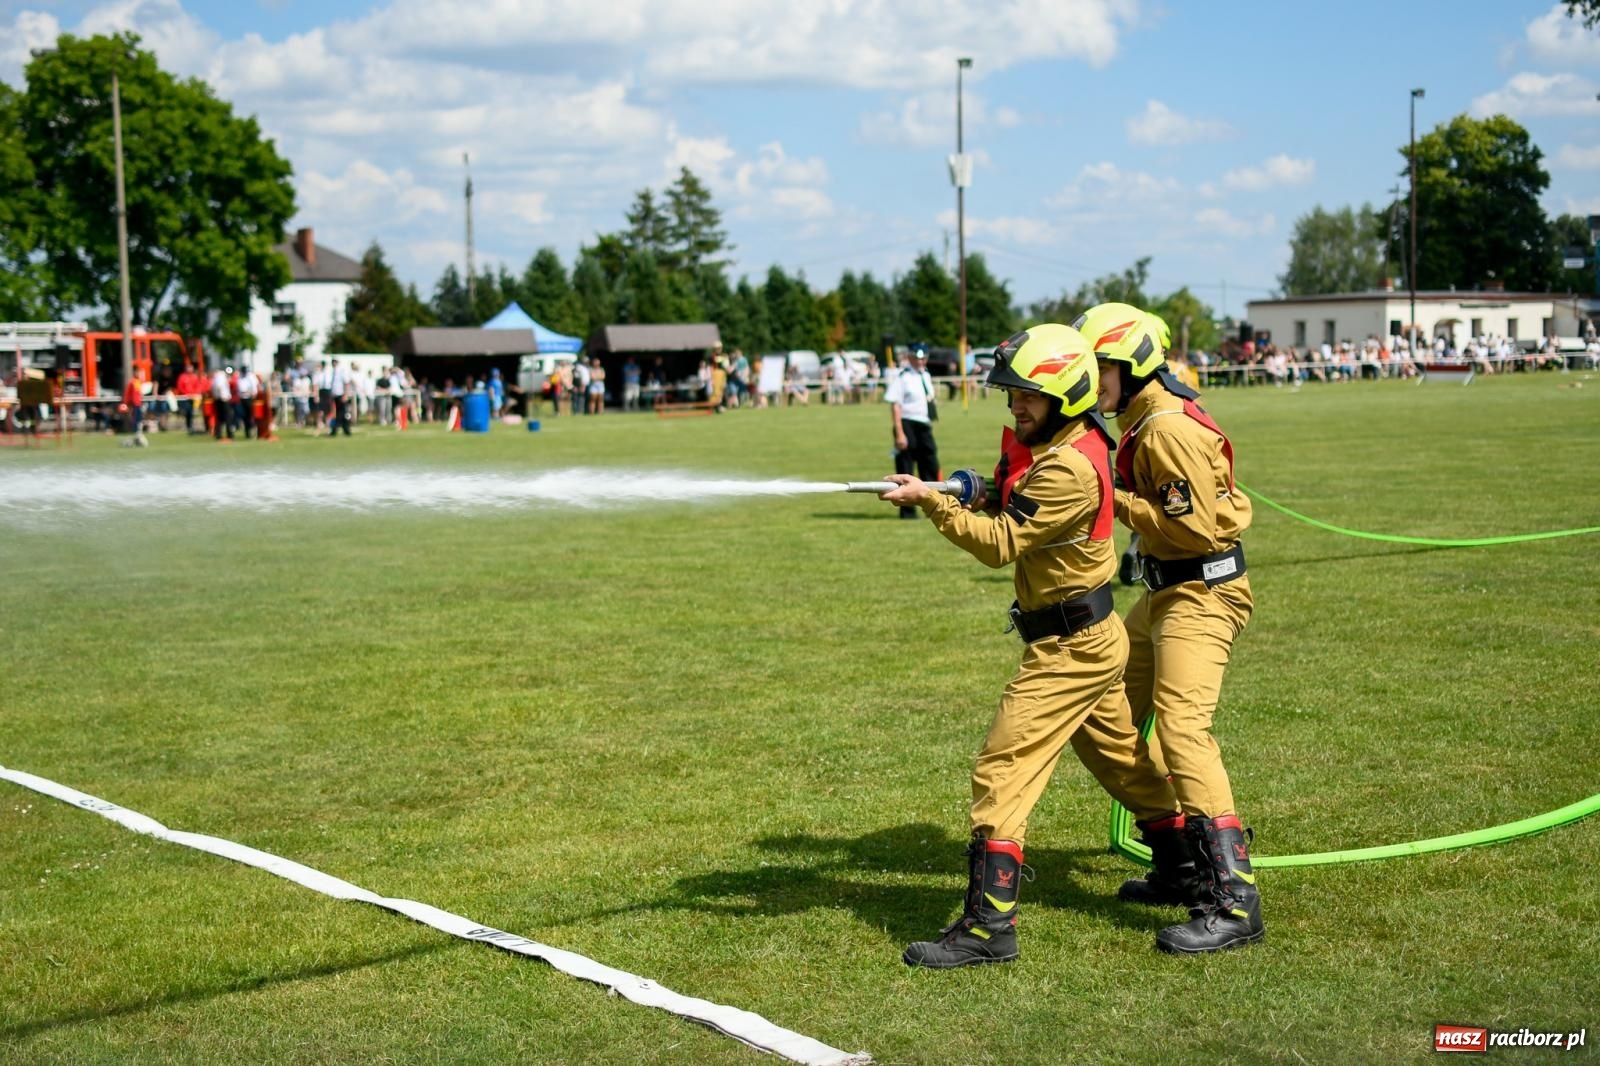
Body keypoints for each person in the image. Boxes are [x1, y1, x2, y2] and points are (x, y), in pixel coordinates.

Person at [876, 324, 1182, 969]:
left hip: (1070, 648)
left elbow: (1000, 543)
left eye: (1028, 397)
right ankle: (1190, 869)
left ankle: (990, 929)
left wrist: (931, 500)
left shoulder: (1067, 467)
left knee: (1003, 768)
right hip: (1089, 637)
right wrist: (968, 486)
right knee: (1121, 761)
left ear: (1067, 396)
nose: (1015, 407)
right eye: (1011, 395)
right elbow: (1016, 494)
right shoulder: (1076, 439)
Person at [1074, 302, 1263, 955]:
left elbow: (1195, 528)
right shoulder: (1138, 418)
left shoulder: (1164, 430)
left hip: (1201, 592)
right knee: (1104, 711)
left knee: (1183, 729)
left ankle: (1234, 900)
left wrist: (1105, 493)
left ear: (1128, 367)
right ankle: (1180, 860)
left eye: (1094, 368)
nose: (1084, 380)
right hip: (1164, 592)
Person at [884, 344, 939, 519]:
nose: (920, 361)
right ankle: (907, 511)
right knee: (906, 467)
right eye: (917, 358)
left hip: (923, 425)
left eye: (923, 358)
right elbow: (895, 405)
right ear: (910, 357)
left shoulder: (926, 375)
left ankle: (933, 505)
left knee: (930, 465)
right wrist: (900, 433)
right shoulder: (903, 377)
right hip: (907, 424)